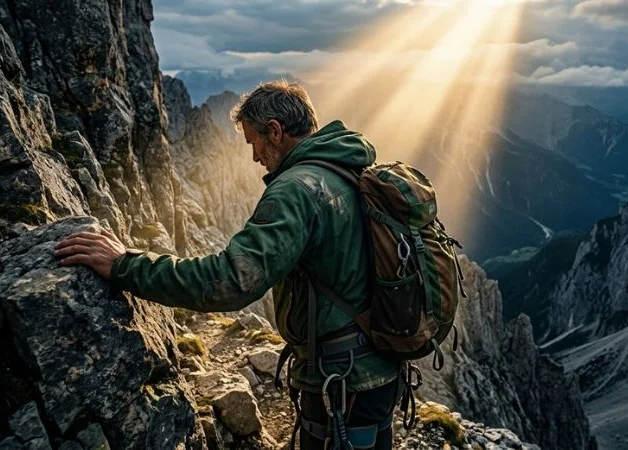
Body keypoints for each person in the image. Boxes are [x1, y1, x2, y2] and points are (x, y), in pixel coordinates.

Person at [54, 81, 403, 449]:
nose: (254, 157)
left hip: (341, 380)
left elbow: (230, 281)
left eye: (254, 142)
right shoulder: (346, 167)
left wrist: (125, 266)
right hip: (377, 368)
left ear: (275, 131)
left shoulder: (296, 191)